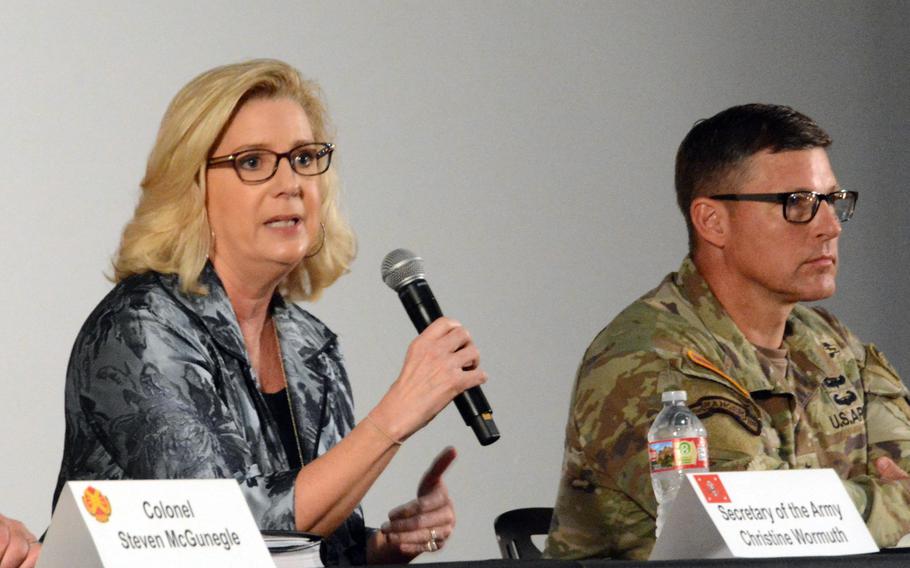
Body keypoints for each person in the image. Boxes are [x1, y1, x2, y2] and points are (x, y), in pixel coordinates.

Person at [51, 59, 487, 565]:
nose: (291, 183)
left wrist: (379, 550)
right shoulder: (140, 331)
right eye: (254, 162)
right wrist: (396, 415)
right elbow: (222, 535)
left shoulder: (310, 346)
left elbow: (305, 551)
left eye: (303, 158)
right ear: (194, 189)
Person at [546, 103, 910, 560]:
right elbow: (754, 520)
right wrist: (895, 503)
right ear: (712, 221)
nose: (830, 227)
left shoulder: (832, 344)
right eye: (797, 203)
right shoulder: (648, 357)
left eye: (833, 201)